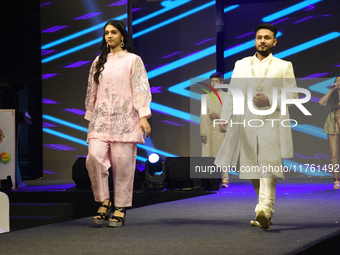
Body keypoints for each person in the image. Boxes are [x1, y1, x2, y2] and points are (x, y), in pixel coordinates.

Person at [215, 24, 298, 229]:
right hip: (246, 123)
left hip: (272, 123)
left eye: (267, 38)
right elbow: (233, 93)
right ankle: (264, 209)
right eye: (259, 37)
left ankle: (264, 209)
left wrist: (269, 99)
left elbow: (294, 95)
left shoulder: (283, 66)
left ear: (274, 42)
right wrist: (225, 118)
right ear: (255, 40)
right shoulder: (241, 64)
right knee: (252, 167)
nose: (262, 41)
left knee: (269, 165)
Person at [84, 20, 151, 227]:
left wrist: (143, 116)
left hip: (125, 119)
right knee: (94, 158)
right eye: (106, 33)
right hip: (101, 119)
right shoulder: (98, 61)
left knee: (123, 165)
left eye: (113, 32)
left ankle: (120, 206)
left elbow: (141, 87)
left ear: (122, 35)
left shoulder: (133, 60)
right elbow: (92, 90)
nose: (109, 36)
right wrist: (90, 113)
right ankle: (105, 199)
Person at [200, 72, 229, 187]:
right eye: (212, 82)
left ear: (221, 83)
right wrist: (203, 132)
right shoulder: (206, 97)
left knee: (222, 154)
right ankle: (208, 180)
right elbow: (203, 116)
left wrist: (218, 115)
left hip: (221, 130)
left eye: (216, 81)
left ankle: (224, 179)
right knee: (208, 155)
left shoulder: (227, 97)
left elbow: (230, 113)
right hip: (209, 130)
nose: (214, 83)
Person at [319, 75, 340, 189]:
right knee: (334, 155)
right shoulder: (333, 94)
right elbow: (321, 102)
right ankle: (336, 181)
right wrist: (332, 89)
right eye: (337, 81)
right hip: (333, 124)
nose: (339, 82)